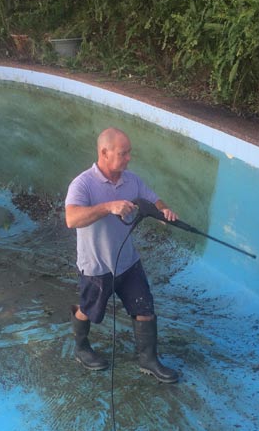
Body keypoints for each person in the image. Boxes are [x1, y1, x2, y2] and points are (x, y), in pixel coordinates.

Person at [64, 127, 179, 383]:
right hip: (96, 267)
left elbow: (153, 200)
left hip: (128, 263)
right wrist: (107, 207)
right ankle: (81, 347)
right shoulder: (83, 183)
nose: (128, 158)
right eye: (123, 153)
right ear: (104, 153)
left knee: (144, 308)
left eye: (129, 153)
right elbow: (72, 219)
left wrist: (164, 212)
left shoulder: (132, 180)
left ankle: (149, 359)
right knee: (89, 310)